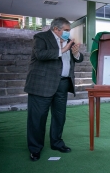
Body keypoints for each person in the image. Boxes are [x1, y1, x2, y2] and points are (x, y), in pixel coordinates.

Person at [24, 17, 84, 161]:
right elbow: (40, 54)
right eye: (66, 30)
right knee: (37, 118)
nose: (68, 33)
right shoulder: (41, 37)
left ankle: (57, 143)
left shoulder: (69, 40)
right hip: (42, 84)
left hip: (63, 84)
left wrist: (75, 53)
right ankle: (35, 148)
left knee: (59, 116)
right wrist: (63, 49)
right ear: (56, 29)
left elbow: (78, 58)